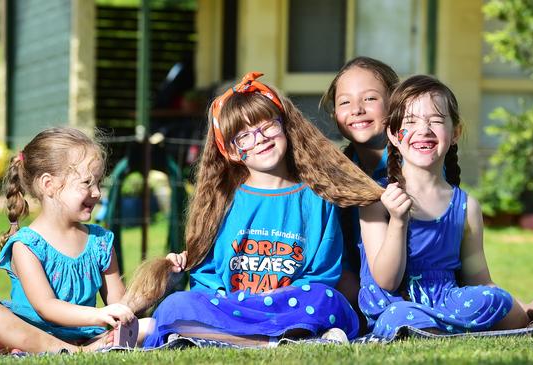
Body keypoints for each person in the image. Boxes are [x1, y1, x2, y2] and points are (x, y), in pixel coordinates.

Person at [122, 72, 385, 348]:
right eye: (243, 136)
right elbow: (205, 274)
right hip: (233, 307)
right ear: (232, 152)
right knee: (177, 305)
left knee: (327, 301)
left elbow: (324, 270)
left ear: (285, 125)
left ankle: (219, 338)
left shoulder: (318, 197)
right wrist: (228, 298)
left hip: (291, 306)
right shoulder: (222, 199)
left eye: (267, 125)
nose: (259, 138)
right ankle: (270, 341)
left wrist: (282, 297)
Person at [358, 74, 533, 339]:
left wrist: (523, 306)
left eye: (436, 120)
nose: (423, 129)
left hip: (448, 302)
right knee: (399, 316)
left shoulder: (466, 206)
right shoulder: (376, 200)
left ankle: (532, 323)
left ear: (455, 132)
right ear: (393, 133)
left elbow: (479, 279)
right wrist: (398, 221)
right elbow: (386, 281)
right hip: (395, 305)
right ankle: (497, 330)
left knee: (492, 298)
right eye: (410, 122)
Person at [0, 127, 144, 356]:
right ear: (48, 185)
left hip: (86, 332)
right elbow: (46, 306)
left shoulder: (100, 241)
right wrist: (97, 315)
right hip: (34, 331)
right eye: (87, 183)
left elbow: (120, 303)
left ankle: (83, 348)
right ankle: (75, 352)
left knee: (148, 325)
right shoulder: (27, 245)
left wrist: (159, 279)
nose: (97, 192)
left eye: (99, 182)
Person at [319, 57, 399, 325]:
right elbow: (338, 255)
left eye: (370, 99)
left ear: (395, 104)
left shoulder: (419, 167)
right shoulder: (337, 176)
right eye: (345, 102)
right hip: (357, 290)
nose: (357, 109)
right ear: (334, 116)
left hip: (412, 286)